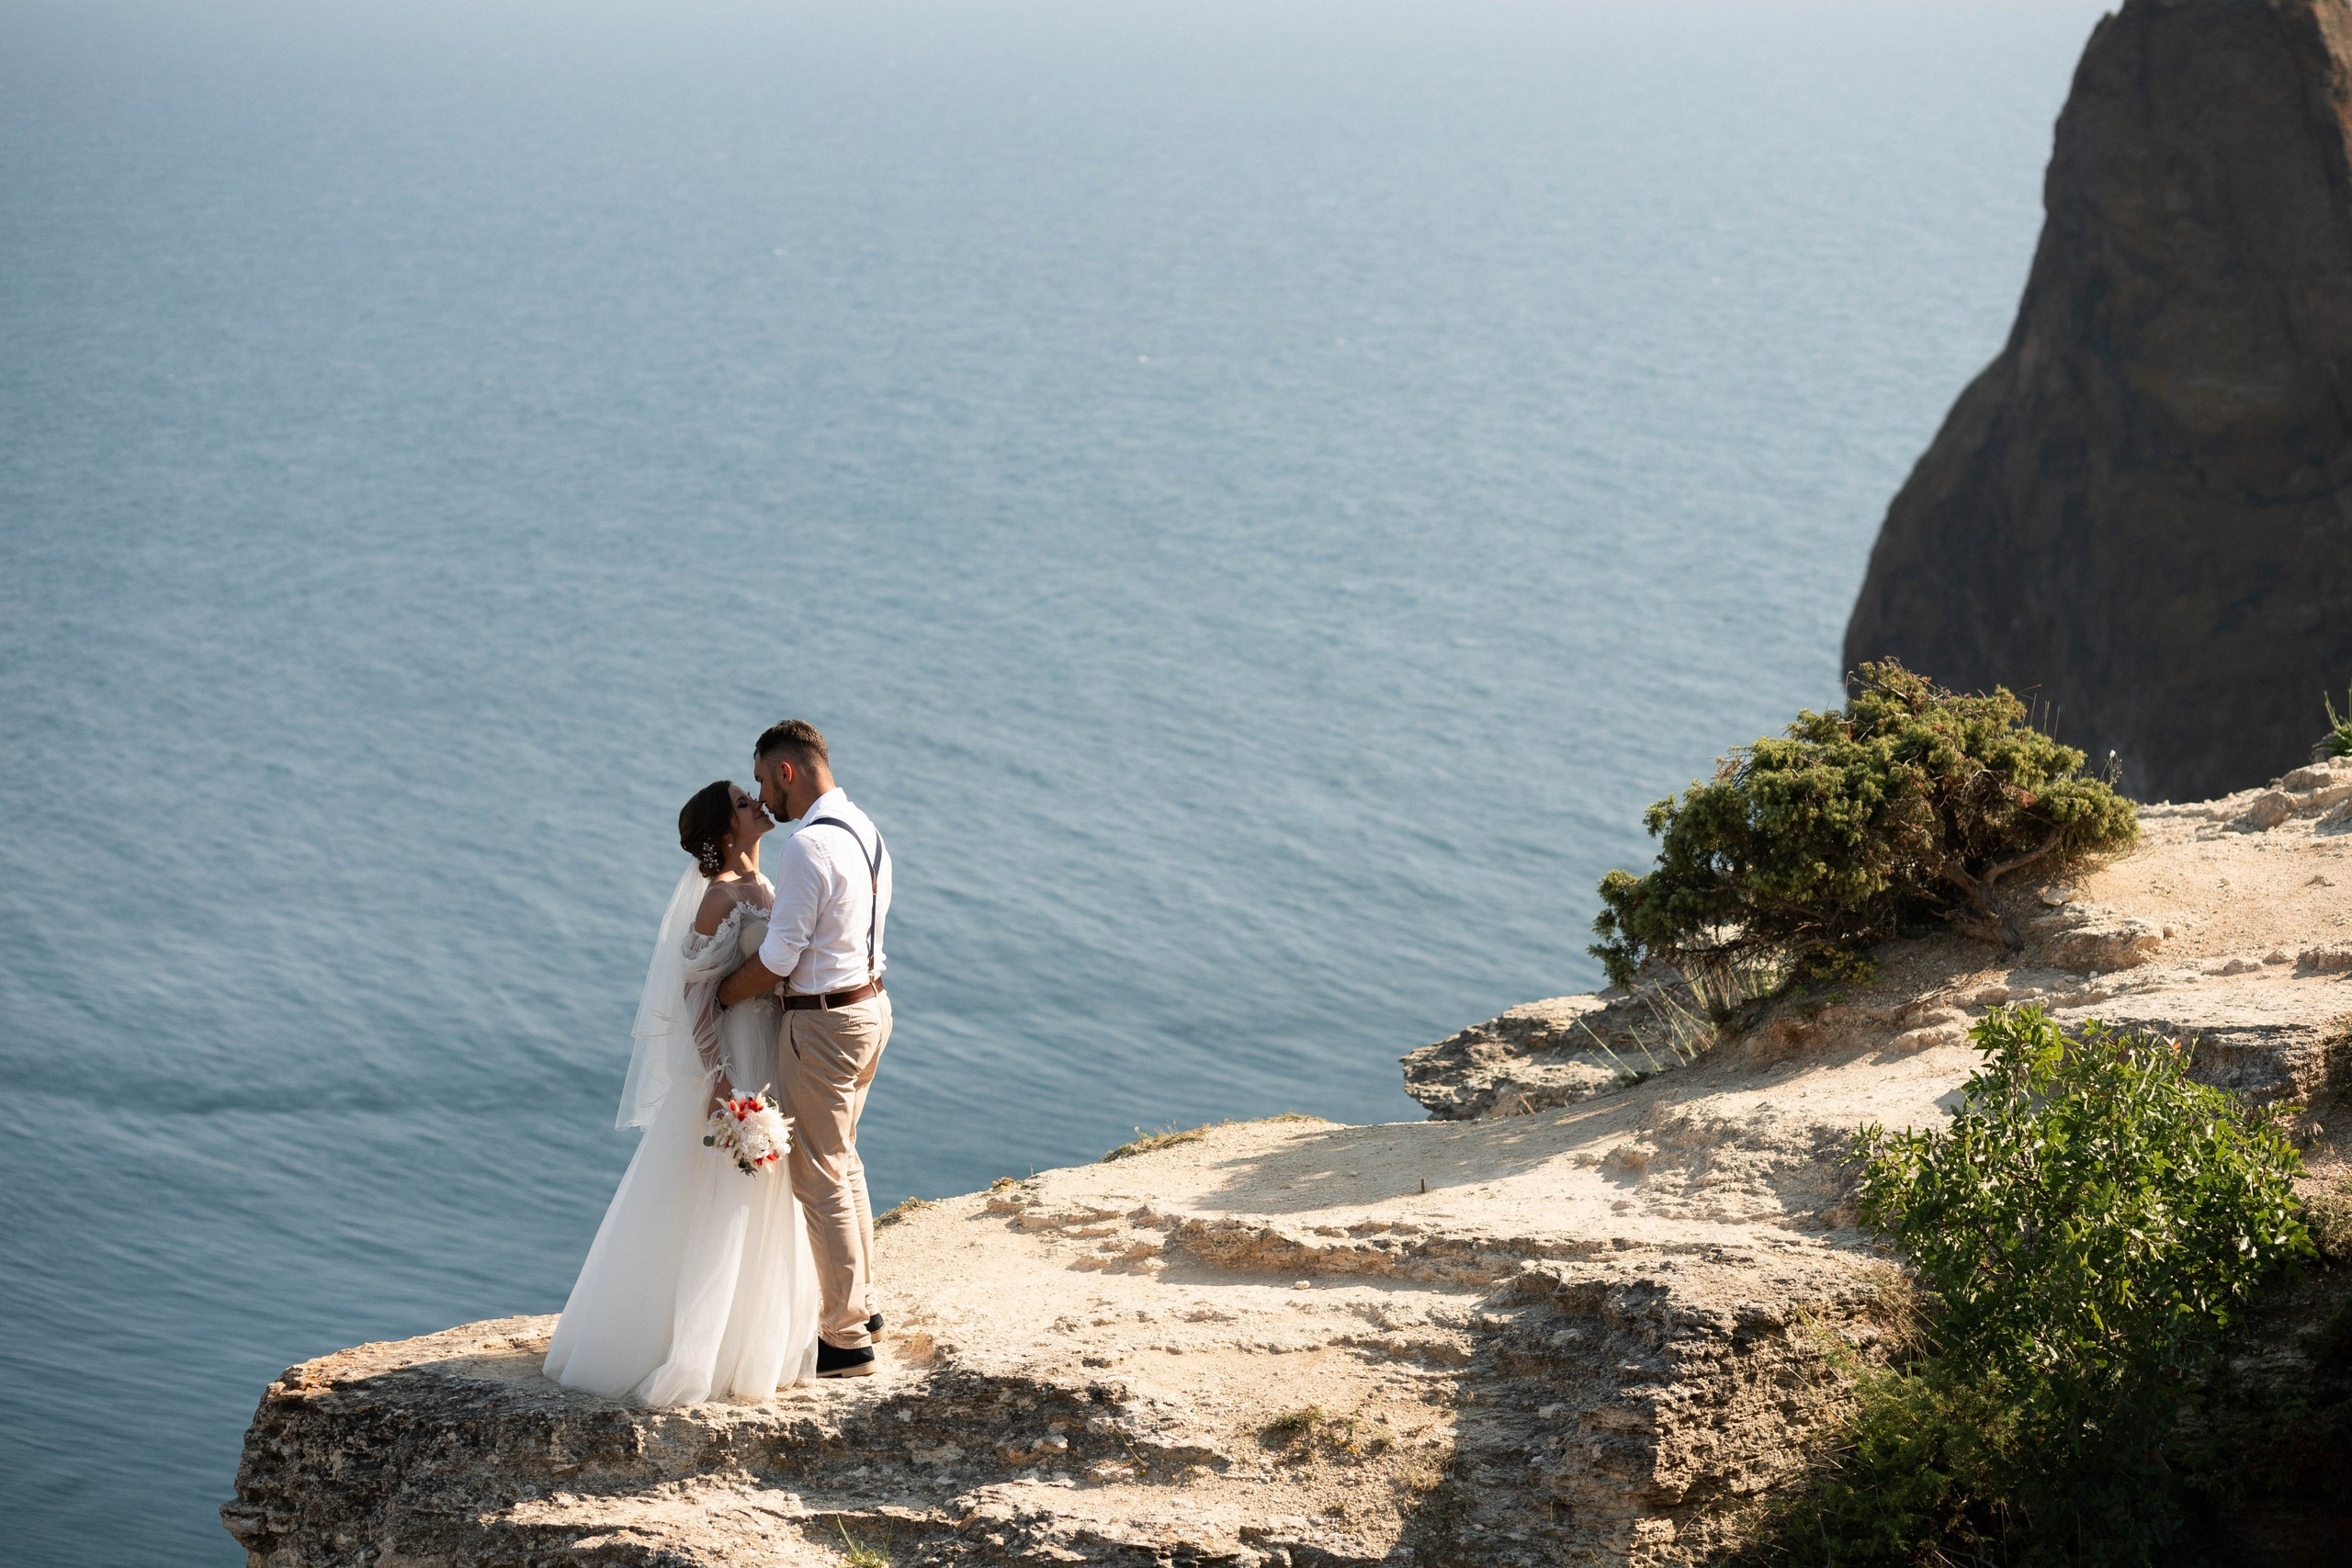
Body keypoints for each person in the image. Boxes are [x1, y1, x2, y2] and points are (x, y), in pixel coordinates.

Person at [542, 780, 820, 1403]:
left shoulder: (769, 887)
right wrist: (721, 1073)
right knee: (717, 1192)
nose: (759, 805)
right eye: (747, 804)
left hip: (772, 1048)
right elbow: (694, 991)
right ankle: (689, 1348)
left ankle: (753, 1342)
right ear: (727, 831)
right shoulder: (718, 899)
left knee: (766, 1194)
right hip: (734, 1058)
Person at [717, 718, 894, 1379]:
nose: (765, 799)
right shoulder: (863, 828)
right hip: (871, 1007)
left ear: (787, 771)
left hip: (824, 1022)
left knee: (819, 1175)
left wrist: (724, 995)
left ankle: (846, 1338)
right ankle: (864, 1307)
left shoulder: (808, 847)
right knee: (843, 1163)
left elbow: (780, 956)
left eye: (765, 781)